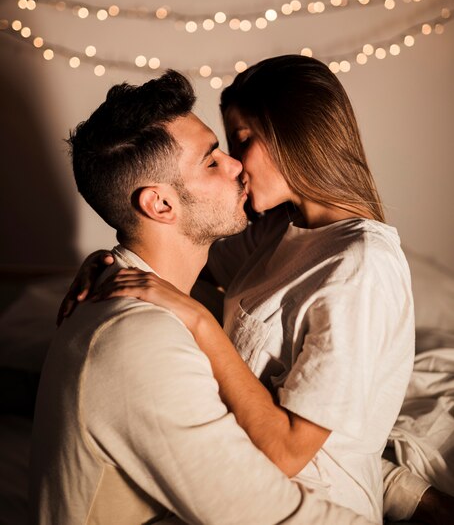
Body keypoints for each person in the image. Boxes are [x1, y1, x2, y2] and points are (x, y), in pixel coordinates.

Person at [66, 56, 423, 523]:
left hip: (313, 507)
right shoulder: (278, 232)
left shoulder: (362, 263)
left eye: (241, 141)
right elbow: (175, 247)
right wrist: (112, 259)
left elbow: (289, 452)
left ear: (292, 135)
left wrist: (199, 321)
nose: (234, 164)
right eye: (220, 153)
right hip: (238, 483)